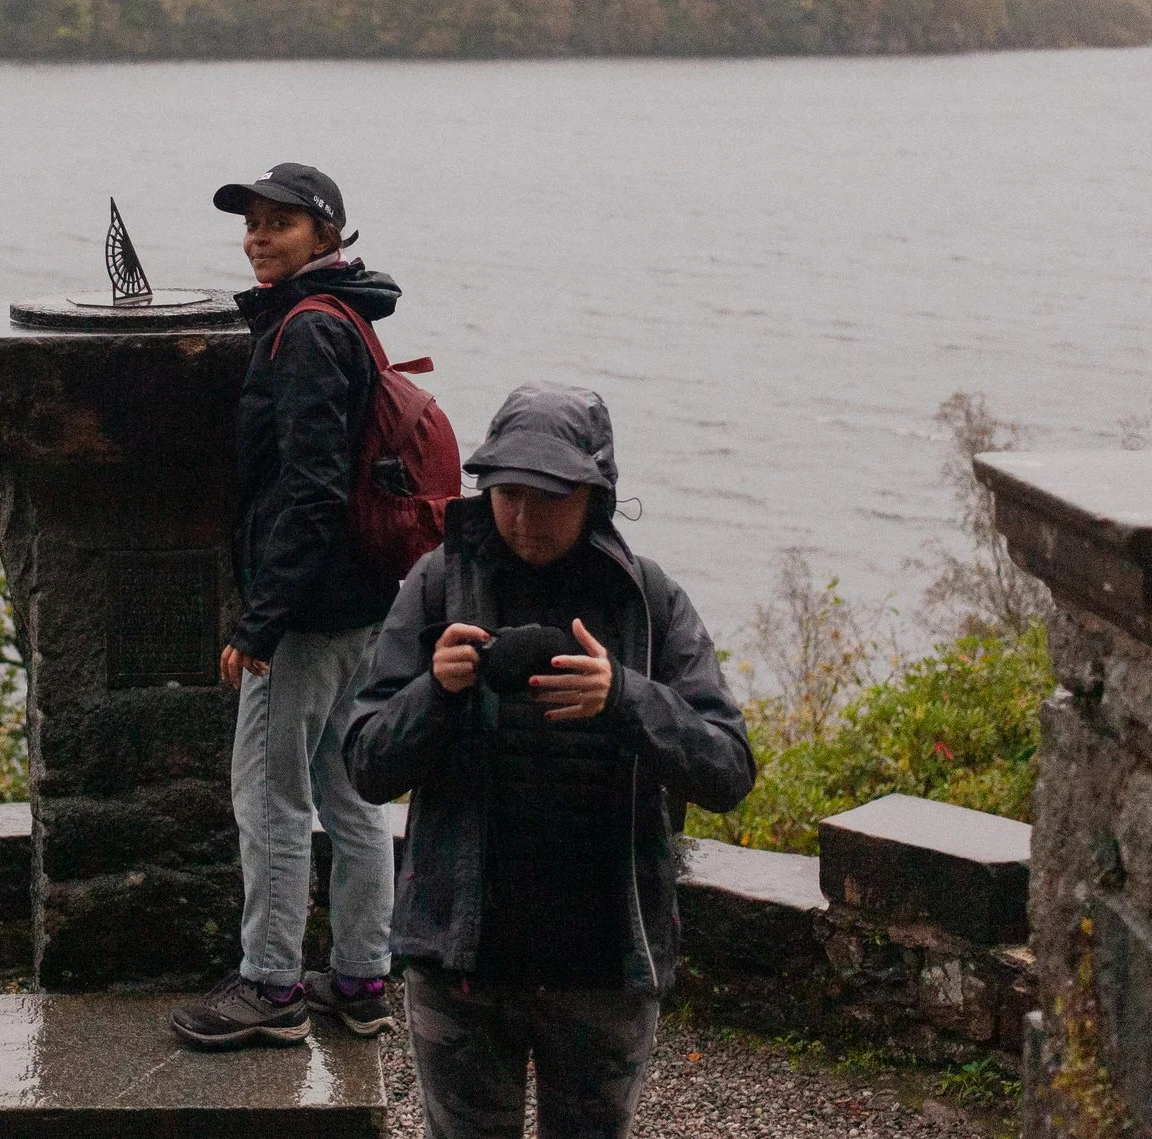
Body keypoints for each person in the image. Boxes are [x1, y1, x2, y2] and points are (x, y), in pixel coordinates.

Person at [343, 383, 755, 1139]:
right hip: (461, 966)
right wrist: (435, 691)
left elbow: (728, 768)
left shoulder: (647, 601)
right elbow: (366, 763)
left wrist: (625, 696)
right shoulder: (437, 587)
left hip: (604, 971)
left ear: (596, 494)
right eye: (509, 495)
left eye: (549, 497)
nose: (525, 519)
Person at [169, 162, 404, 1048]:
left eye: (280, 223)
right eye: (252, 223)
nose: (258, 238)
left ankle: (271, 986)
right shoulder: (345, 312)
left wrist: (260, 620)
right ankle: (362, 978)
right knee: (349, 792)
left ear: (325, 235)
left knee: (270, 795)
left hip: (306, 610)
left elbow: (310, 490)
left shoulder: (306, 330)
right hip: (361, 598)